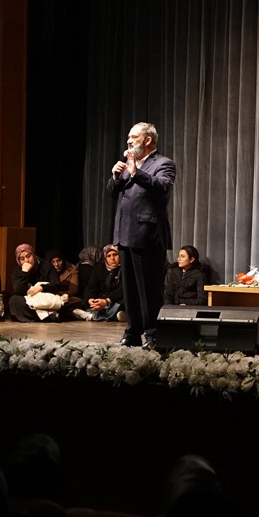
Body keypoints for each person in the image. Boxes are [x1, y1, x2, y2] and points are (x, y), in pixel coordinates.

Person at [108, 122, 176, 348]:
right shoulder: (128, 165)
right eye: (128, 137)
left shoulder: (163, 163)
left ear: (147, 140)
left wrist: (136, 172)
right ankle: (132, 333)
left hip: (147, 235)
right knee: (130, 290)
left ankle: (153, 334)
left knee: (148, 290)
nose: (129, 141)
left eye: (134, 137)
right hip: (125, 234)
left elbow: (162, 186)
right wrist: (116, 176)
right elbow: (113, 192)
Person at [78, 244, 125, 322]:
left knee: (121, 303)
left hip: (115, 299)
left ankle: (117, 315)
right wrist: (91, 299)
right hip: (102, 300)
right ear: (105, 258)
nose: (112, 258)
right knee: (88, 304)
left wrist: (107, 301)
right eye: (109, 256)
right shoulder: (99, 269)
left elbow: (122, 289)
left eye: (115, 255)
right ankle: (114, 316)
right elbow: (91, 287)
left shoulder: (125, 269)